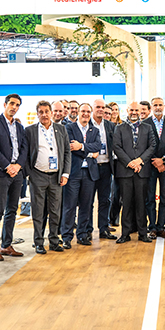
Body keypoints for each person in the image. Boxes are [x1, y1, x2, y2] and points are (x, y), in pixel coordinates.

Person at [0, 94, 28, 261]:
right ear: (5, 105)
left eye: (17, 105)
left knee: (12, 210)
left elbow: (24, 149)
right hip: (0, 173)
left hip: (17, 173)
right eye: (12, 104)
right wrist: (8, 166)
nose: (14, 107)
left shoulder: (20, 127)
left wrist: (18, 166)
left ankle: (6, 245)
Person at [26, 101, 71, 254]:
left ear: (51, 113)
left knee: (55, 211)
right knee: (38, 211)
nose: (44, 115)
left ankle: (54, 241)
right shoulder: (30, 131)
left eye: (47, 111)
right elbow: (25, 153)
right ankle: (38, 242)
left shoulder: (61, 129)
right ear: (37, 114)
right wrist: (30, 173)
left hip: (56, 176)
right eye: (41, 112)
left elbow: (67, 152)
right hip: (38, 175)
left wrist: (65, 173)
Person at [112, 102, 156, 243]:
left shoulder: (147, 127)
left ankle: (143, 233)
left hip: (142, 171)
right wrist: (130, 163)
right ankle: (125, 234)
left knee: (141, 203)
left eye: (136, 110)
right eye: (131, 110)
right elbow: (116, 147)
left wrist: (140, 161)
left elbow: (152, 146)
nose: (134, 112)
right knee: (126, 204)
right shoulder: (119, 128)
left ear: (140, 111)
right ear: (127, 110)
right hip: (125, 171)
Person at [61, 103, 101, 248]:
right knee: (69, 206)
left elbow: (98, 146)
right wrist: (90, 153)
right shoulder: (69, 128)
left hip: (89, 173)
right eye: (83, 111)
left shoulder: (94, 130)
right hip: (73, 173)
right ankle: (66, 237)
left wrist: (82, 146)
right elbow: (71, 147)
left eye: (88, 111)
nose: (85, 114)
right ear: (78, 112)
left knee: (86, 206)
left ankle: (82, 235)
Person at [144, 97, 165, 239]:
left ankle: (161, 227)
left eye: (160, 105)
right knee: (150, 198)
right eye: (155, 105)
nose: (158, 107)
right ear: (151, 107)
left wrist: (163, 160)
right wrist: (155, 161)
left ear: (164, 106)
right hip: (150, 166)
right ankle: (152, 227)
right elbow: (143, 145)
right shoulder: (145, 123)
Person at [91, 100, 118, 240]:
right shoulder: (87, 124)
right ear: (93, 108)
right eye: (98, 107)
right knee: (88, 201)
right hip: (91, 167)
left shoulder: (110, 125)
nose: (100, 109)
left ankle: (104, 229)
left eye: (103, 107)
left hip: (106, 166)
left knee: (105, 200)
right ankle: (87, 230)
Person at [107, 101, 123, 226]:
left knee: (119, 192)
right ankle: (109, 218)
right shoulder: (105, 126)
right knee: (111, 193)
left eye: (116, 109)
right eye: (112, 109)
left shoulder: (122, 125)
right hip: (108, 162)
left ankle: (116, 216)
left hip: (120, 162)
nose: (114, 112)